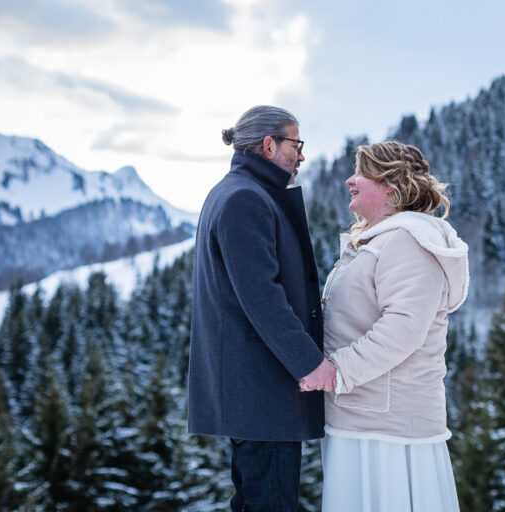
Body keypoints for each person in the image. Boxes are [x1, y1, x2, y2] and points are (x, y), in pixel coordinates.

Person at [187, 105, 337, 512]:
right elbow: (262, 297)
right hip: (263, 392)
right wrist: (310, 364)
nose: (301, 155)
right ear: (269, 145)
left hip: (256, 394)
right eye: (296, 144)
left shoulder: (236, 192)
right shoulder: (244, 200)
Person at [317, 141, 469, 511]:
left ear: (392, 187)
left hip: (389, 432)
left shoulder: (407, 242)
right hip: (362, 417)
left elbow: (403, 329)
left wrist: (336, 372)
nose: (350, 180)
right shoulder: (378, 239)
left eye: (362, 173)